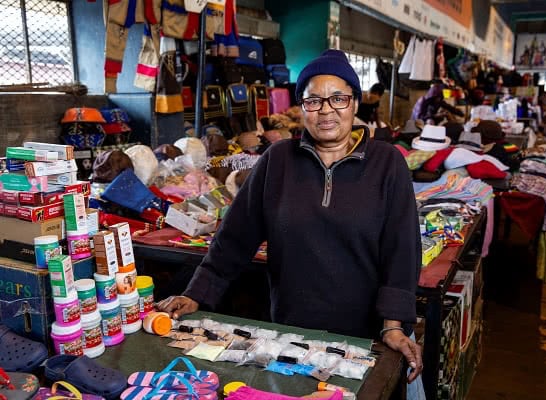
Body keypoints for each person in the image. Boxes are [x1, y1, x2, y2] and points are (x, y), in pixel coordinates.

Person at [157, 49, 424, 386]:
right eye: (314, 101)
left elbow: (402, 249)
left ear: (354, 103)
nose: (326, 111)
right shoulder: (278, 160)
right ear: (301, 109)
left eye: (338, 99)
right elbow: (236, 237)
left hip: (363, 334)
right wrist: (196, 293)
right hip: (290, 330)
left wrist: (394, 324)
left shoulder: (386, 163)